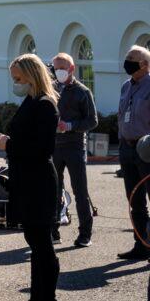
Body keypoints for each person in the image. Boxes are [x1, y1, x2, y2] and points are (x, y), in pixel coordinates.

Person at [0, 55, 62, 301]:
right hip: (27, 178)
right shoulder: (31, 101)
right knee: (34, 240)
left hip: (39, 181)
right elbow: (25, 138)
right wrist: (5, 140)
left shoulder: (45, 104)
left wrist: (9, 146)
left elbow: (43, 148)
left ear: (31, 75)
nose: (15, 83)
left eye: (18, 78)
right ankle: (36, 300)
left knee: (42, 244)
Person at [51, 52, 97, 248]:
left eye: (62, 68)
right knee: (53, 189)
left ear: (72, 69)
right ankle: (53, 231)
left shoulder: (83, 92)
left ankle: (85, 234)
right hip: (54, 147)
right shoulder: (51, 88)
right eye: (55, 68)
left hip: (74, 146)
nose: (58, 71)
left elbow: (92, 121)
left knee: (80, 191)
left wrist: (70, 126)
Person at [117, 45, 150, 259]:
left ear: (145, 65)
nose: (127, 61)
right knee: (135, 200)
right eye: (127, 57)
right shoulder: (125, 86)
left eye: (133, 58)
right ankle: (141, 244)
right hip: (127, 148)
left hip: (147, 149)